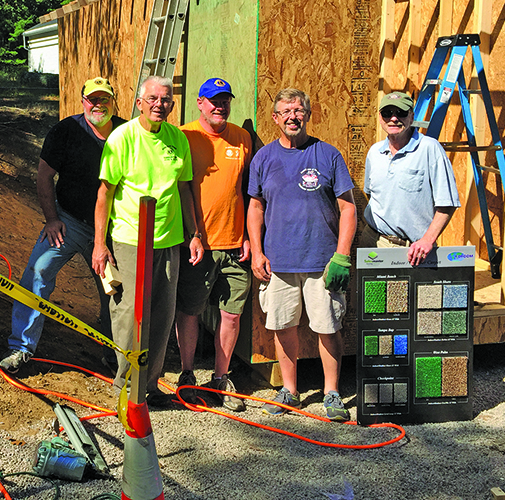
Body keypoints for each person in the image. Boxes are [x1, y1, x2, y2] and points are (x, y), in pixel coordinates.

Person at [0, 77, 126, 372]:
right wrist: (52, 219)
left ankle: (115, 352)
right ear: (83, 101)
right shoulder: (66, 131)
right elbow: (44, 176)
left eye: (103, 99)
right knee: (39, 269)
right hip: (69, 221)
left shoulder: (126, 132)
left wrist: (104, 239)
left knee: (115, 289)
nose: (98, 105)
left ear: (112, 102)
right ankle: (20, 347)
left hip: (112, 229)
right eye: (92, 99)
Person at [247, 88, 356, 422]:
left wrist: (341, 255)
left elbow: (348, 207)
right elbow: (254, 206)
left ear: (308, 115)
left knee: (327, 326)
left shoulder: (327, 155)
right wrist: (257, 251)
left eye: (299, 110)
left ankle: (332, 393)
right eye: (286, 112)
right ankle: (290, 391)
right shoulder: (263, 158)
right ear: (276, 118)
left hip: (321, 262)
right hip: (278, 262)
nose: (293, 116)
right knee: (283, 325)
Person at [93, 75, 204, 405]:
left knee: (162, 314)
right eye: (153, 99)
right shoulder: (122, 138)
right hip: (130, 239)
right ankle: (126, 386)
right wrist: (100, 244)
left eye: (166, 100)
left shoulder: (176, 139)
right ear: (139, 102)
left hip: (168, 241)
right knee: (129, 313)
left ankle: (149, 385)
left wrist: (193, 234)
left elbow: (184, 189)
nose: (160, 104)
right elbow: (104, 193)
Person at [174, 78, 253, 411]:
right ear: (200, 102)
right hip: (199, 245)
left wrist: (248, 236)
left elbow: (249, 192)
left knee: (231, 316)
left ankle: (220, 379)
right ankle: (187, 374)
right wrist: (194, 235)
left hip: (235, 246)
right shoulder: (184, 136)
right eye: (213, 100)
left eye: (225, 100)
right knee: (190, 311)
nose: (220, 106)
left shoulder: (242, 138)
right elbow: (181, 189)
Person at [362, 91, 460, 266]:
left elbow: (448, 203)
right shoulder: (374, 152)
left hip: (414, 251)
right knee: (371, 294)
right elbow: (372, 196)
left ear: (412, 116)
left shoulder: (430, 149)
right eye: (387, 113)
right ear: (379, 117)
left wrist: (427, 240)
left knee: (406, 295)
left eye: (400, 113)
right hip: (373, 243)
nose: (393, 118)